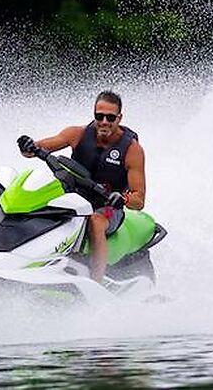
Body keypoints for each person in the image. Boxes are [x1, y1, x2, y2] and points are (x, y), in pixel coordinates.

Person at [16, 90, 146, 283]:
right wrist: (27, 146)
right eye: (99, 116)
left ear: (119, 118)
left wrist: (123, 198)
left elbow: (139, 200)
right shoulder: (76, 134)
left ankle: (96, 281)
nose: (104, 121)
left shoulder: (132, 150)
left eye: (110, 117)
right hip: (74, 200)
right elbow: (36, 149)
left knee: (95, 221)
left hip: (108, 207)